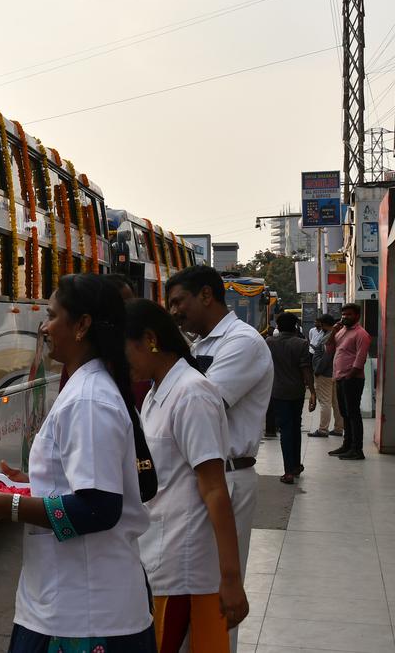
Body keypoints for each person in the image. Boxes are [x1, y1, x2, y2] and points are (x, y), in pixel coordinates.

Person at [0, 274, 155, 653]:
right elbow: (83, 488)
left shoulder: (89, 400)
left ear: (82, 325)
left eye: (52, 315)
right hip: (69, 602)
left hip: (84, 615)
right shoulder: (88, 388)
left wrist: (8, 505)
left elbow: (99, 508)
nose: (45, 327)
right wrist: (35, 486)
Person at [125, 298, 248, 653]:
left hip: (180, 563)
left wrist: (231, 579)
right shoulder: (155, 392)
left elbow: (214, 489)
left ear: (149, 339)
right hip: (157, 552)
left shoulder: (192, 394)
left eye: (123, 350)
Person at [164, 265, 272, 653]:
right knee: (192, 588)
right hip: (199, 476)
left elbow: (201, 403)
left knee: (217, 598)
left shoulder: (241, 343)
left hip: (227, 477)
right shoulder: (200, 346)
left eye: (179, 302)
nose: (174, 312)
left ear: (207, 295)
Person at [266, 313, 316, 483]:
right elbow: (306, 368)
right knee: (295, 427)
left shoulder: (270, 342)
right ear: (296, 327)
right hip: (297, 391)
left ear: (278, 327)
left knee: (286, 429)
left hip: (278, 392)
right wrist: (313, 392)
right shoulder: (301, 343)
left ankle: (288, 471)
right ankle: (295, 465)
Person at [325, 303, 372, 460]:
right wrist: (333, 332)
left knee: (353, 414)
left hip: (352, 379)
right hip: (340, 378)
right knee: (345, 413)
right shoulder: (341, 331)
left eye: (349, 314)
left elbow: (360, 358)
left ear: (357, 316)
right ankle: (347, 445)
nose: (345, 317)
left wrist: (349, 375)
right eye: (343, 314)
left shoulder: (361, 334)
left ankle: (357, 449)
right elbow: (329, 349)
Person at [307, 314, 344, 438]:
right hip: (334, 373)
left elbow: (326, 356)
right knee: (336, 402)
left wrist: (318, 370)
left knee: (325, 402)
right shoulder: (336, 335)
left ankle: (323, 429)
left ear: (323, 324)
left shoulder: (329, 336)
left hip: (325, 373)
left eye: (319, 323)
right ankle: (339, 428)